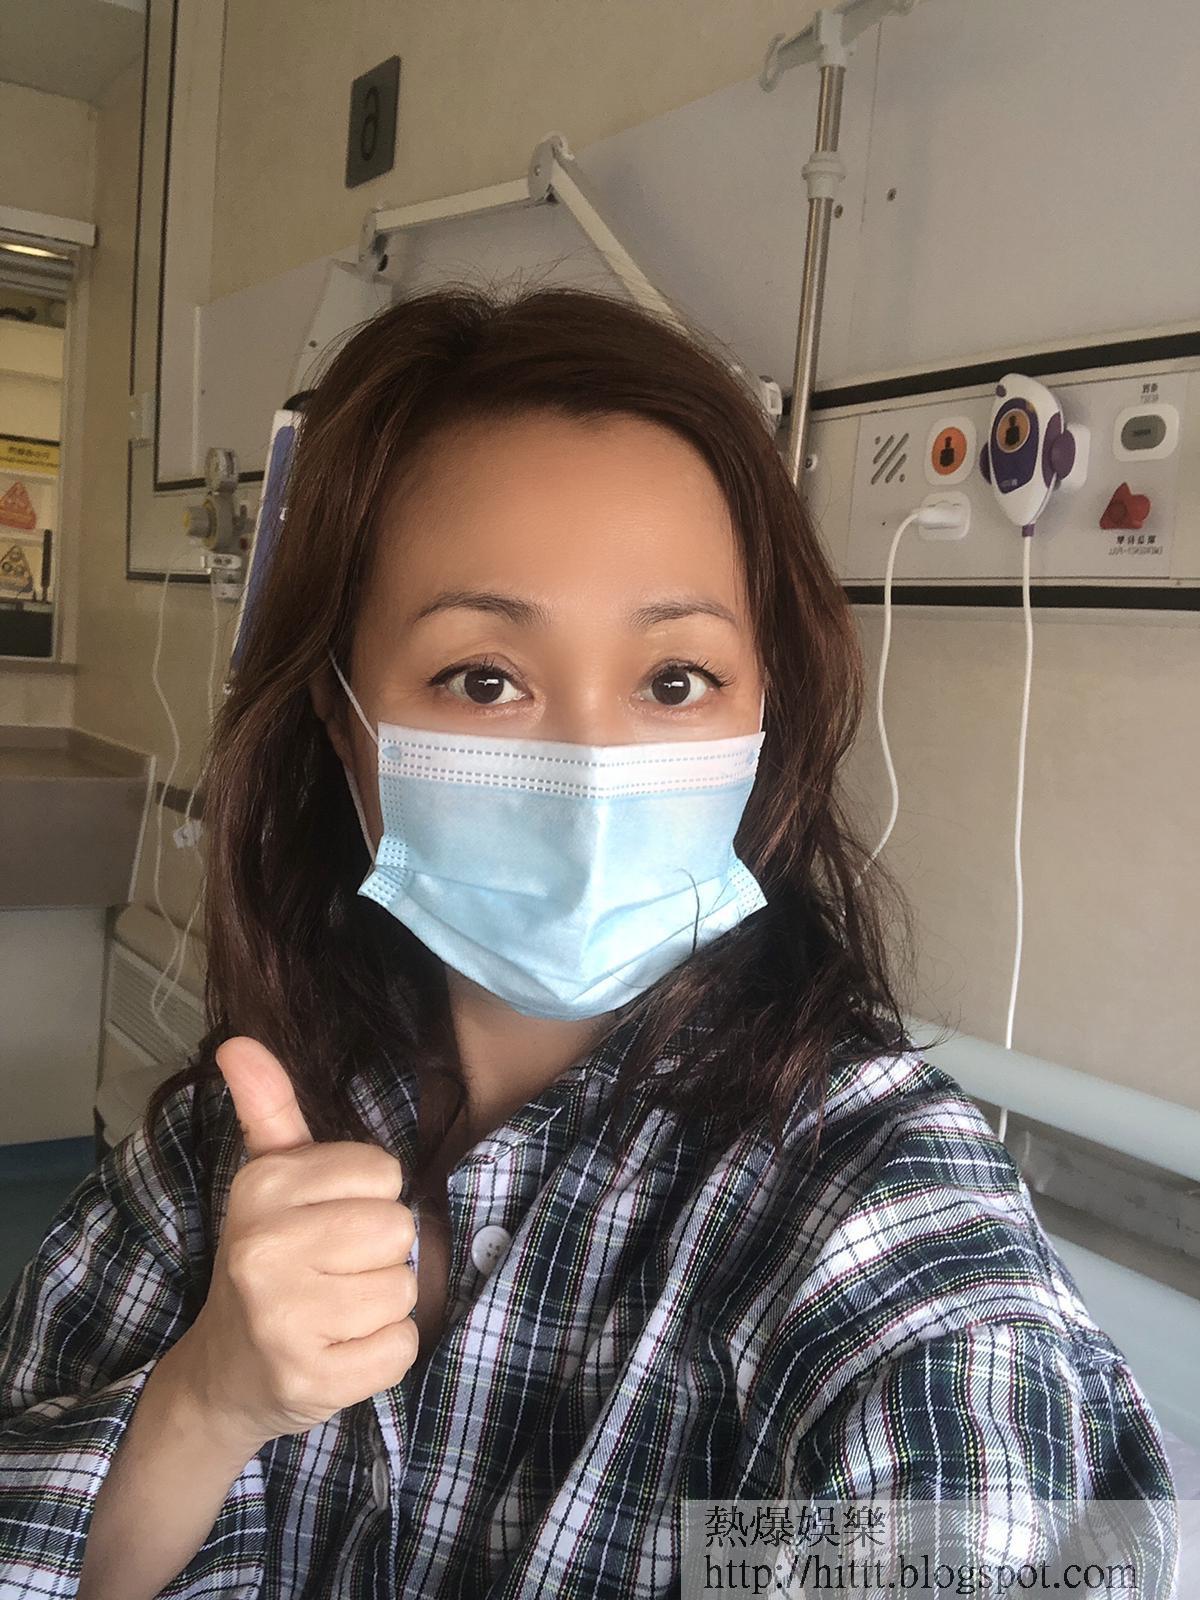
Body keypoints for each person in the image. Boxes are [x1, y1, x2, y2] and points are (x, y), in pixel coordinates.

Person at [0, 284, 1178, 1599]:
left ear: (764, 718)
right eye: (485, 679)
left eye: (675, 681)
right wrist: (208, 1399)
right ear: (342, 725)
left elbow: (977, 1526)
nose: (591, 769)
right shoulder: (224, 1146)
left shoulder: (865, 1201)